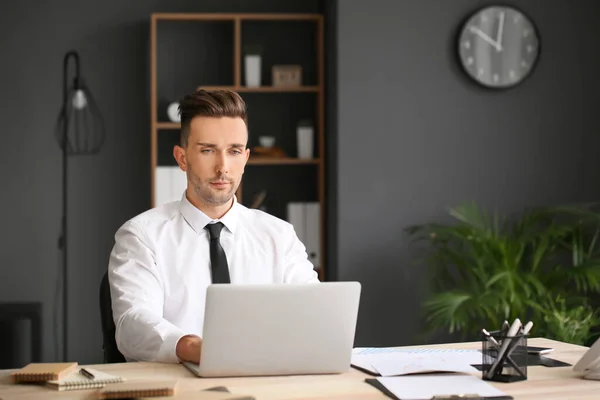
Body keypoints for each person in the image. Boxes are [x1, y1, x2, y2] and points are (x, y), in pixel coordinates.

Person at [107, 89, 319, 364]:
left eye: (234, 151)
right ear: (182, 158)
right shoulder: (141, 236)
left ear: (245, 158)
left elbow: (316, 312)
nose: (223, 167)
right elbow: (133, 324)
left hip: (265, 381)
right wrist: (195, 348)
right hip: (178, 384)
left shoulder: (279, 236)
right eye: (208, 150)